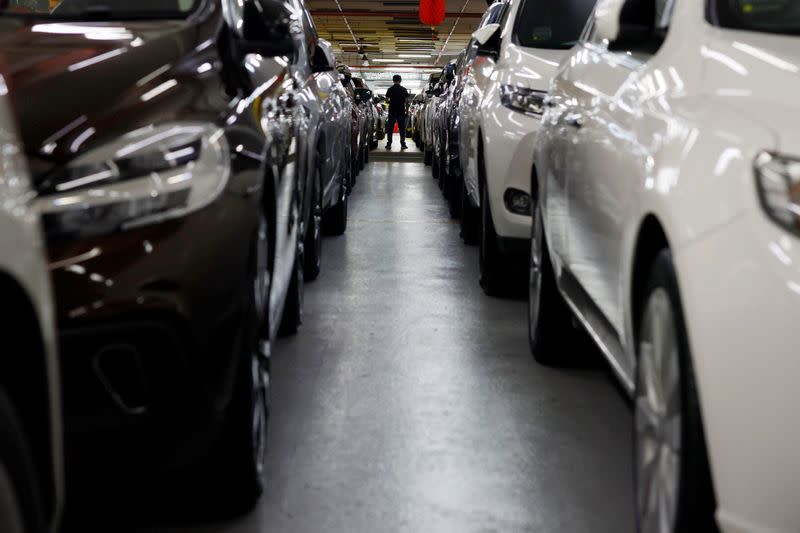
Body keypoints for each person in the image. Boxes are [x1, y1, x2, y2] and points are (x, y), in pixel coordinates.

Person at [385, 74, 409, 150]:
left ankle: (389, 144)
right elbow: (407, 102)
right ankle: (403, 144)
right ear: (400, 80)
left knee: (390, 128)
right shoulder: (404, 89)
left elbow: (386, 100)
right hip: (401, 111)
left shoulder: (390, 89)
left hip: (392, 111)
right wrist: (407, 111)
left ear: (393, 80)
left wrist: (390, 102)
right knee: (402, 128)